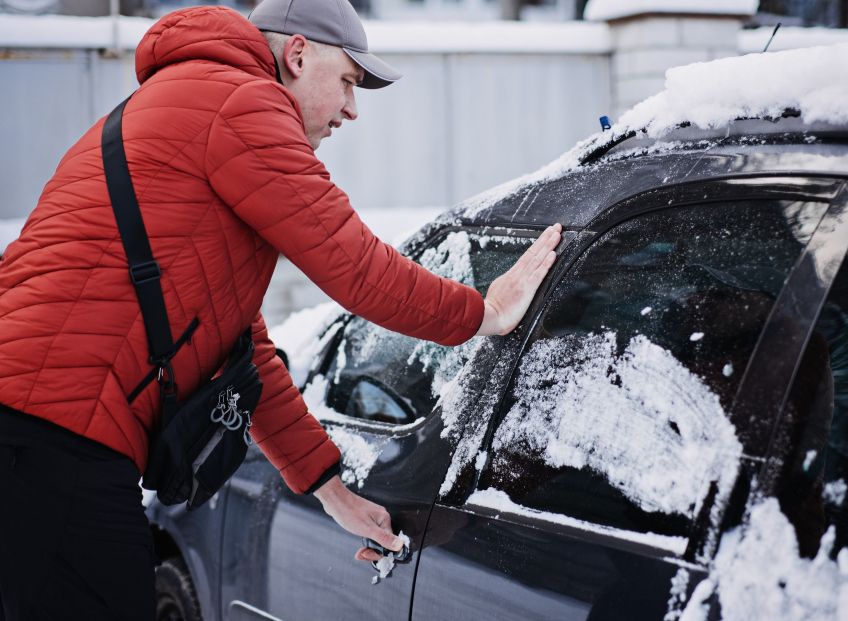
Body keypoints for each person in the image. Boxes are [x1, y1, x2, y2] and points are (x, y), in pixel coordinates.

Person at [0, 0, 561, 617]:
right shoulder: (242, 101)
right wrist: (484, 313)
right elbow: (355, 267)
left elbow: (239, 353)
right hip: (53, 437)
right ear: (297, 55)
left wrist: (331, 491)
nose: (352, 108)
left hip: (36, 436)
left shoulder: (191, 101)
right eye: (348, 81)